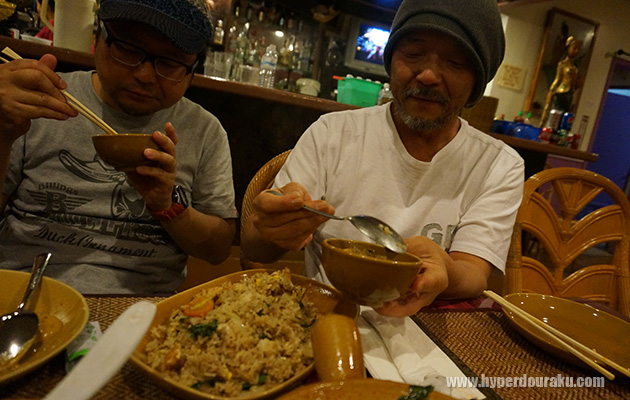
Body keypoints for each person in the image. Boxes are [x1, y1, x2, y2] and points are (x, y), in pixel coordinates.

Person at [241, 0, 524, 317]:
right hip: (330, 318)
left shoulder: (499, 164)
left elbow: (474, 272)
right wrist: (272, 228)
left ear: (477, 81)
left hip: (430, 327)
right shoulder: (333, 134)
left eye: (455, 62)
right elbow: (254, 247)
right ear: (391, 60)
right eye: (413, 54)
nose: (428, 75)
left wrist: (445, 270)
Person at [0, 0, 237, 294]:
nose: (144, 76)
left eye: (169, 63)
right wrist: (3, 133)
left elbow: (218, 249)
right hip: (26, 291)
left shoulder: (204, 131)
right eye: (128, 50)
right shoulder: (40, 100)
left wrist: (168, 207)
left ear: (191, 72)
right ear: (99, 38)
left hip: (142, 307)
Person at [540, 36, 581, 128]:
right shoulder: (562, 64)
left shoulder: (575, 67)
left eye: (578, 49)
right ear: (568, 48)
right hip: (561, 92)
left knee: (565, 117)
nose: (576, 51)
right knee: (557, 115)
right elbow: (557, 79)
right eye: (574, 48)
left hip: (570, 93)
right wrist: (551, 90)